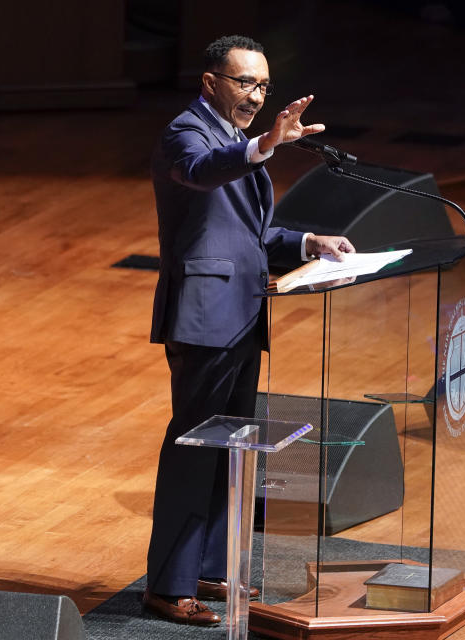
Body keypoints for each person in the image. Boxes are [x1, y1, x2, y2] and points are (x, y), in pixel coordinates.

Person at [144, 34, 355, 626]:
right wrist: (266, 145)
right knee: (193, 448)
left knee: (231, 446)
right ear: (210, 82)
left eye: (263, 85)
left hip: (242, 314)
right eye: (244, 83)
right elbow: (201, 173)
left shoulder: (239, 140)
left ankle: (208, 570)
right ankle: (167, 586)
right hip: (205, 316)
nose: (256, 95)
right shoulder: (188, 133)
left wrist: (307, 243)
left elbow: (248, 234)